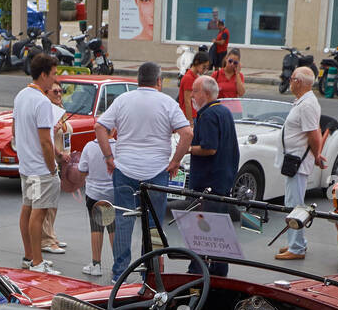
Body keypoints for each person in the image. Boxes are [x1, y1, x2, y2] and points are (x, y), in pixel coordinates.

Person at [94, 61, 192, 282]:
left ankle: (119, 273)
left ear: (138, 80)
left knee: (123, 220)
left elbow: (100, 127)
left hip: (125, 169)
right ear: (159, 81)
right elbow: (187, 133)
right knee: (154, 224)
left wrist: (109, 157)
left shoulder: (123, 100)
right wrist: (175, 161)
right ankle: (151, 272)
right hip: (157, 171)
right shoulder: (167, 103)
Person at [13, 53, 64, 274]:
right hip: (41, 169)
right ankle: (37, 262)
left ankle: (30, 256)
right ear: (43, 74)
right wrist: (53, 167)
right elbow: (45, 140)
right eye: (53, 74)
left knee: (28, 209)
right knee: (38, 213)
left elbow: (15, 132)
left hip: (27, 167)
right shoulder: (42, 102)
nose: (54, 79)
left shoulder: (21, 95)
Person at [187, 75, 239, 277]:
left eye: (195, 91)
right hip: (223, 179)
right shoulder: (224, 111)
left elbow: (209, 149)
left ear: (206, 94)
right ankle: (219, 271)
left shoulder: (207, 115)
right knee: (218, 230)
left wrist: (187, 149)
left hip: (208, 182)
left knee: (202, 229)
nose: (192, 95)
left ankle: (196, 270)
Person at [276, 66, 327, 261]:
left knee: (294, 205)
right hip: (294, 159)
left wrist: (316, 155)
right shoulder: (303, 102)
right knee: (292, 202)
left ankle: (296, 247)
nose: (289, 81)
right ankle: (295, 243)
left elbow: (314, 134)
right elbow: (316, 129)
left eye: (291, 78)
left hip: (298, 161)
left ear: (298, 82)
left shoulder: (307, 104)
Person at [71, 129, 116, 277]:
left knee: (96, 228)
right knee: (113, 228)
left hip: (94, 193)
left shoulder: (89, 147)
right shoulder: (119, 146)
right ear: (114, 130)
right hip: (113, 193)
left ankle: (96, 264)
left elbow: (82, 170)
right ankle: (118, 265)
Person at [40, 82, 72, 255]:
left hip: (59, 162)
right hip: (49, 162)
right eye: (55, 91)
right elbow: (45, 139)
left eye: (61, 90)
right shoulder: (47, 112)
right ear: (47, 93)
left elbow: (66, 135)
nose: (59, 93)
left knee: (53, 204)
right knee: (46, 203)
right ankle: (45, 240)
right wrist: (59, 153)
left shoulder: (60, 110)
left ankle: (51, 235)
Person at [177, 50, 210, 123]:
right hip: (190, 116)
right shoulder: (189, 78)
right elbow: (187, 101)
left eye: (206, 68)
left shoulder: (195, 76)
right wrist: (190, 121)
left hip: (195, 114)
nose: (204, 70)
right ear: (197, 62)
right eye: (203, 67)